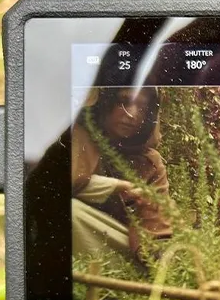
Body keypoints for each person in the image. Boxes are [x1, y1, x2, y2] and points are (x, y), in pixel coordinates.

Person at [70, 86, 173, 262]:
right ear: (106, 102)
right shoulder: (77, 138)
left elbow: (156, 221)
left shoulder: (150, 162)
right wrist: (119, 187)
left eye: (142, 107)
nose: (133, 114)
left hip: (122, 249)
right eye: (124, 102)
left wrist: (156, 257)